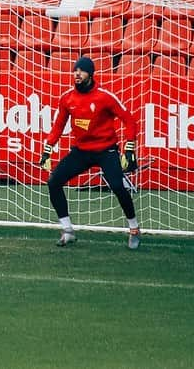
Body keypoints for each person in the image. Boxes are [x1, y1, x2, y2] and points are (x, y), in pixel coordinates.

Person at [39, 56, 141, 249]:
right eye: (75, 70)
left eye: (82, 70)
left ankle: (134, 228)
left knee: (118, 187)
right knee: (53, 182)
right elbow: (58, 125)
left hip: (106, 150)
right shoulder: (67, 98)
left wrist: (129, 148)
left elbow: (129, 121)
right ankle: (67, 230)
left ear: (91, 74)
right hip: (81, 151)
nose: (77, 73)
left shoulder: (104, 97)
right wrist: (48, 148)